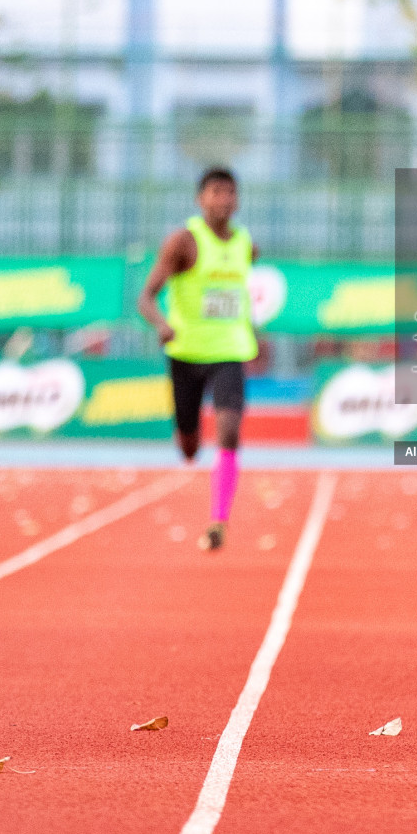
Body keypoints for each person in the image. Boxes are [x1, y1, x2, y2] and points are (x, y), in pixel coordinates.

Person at [137, 167, 258, 552]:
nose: (224, 200)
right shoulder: (182, 243)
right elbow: (145, 298)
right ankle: (188, 440)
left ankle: (219, 520)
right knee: (189, 446)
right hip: (186, 353)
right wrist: (160, 324)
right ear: (200, 199)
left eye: (230, 193)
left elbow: (237, 295)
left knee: (229, 430)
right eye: (216, 192)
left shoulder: (246, 245)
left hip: (230, 351)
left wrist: (251, 329)